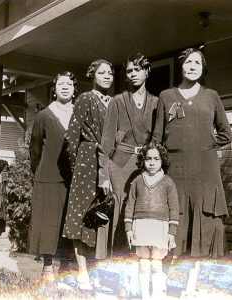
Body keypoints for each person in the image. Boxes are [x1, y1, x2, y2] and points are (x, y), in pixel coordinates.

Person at [153, 48, 232, 258]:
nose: (192, 66)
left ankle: (192, 283)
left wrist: (204, 146)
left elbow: (226, 134)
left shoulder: (211, 96)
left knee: (204, 222)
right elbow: (156, 137)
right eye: (188, 62)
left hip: (205, 170)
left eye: (197, 63)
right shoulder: (166, 96)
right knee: (175, 221)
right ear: (181, 66)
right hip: (175, 170)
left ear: (203, 68)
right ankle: (169, 274)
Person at [62, 59, 114, 290]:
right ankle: (82, 273)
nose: (107, 76)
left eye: (110, 73)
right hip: (86, 161)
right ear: (93, 75)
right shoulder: (85, 98)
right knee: (81, 216)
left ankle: (100, 272)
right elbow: (71, 137)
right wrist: (77, 167)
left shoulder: (114, 102)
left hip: (109, 162)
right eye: (102, 72)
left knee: (103, 216)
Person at [99, 53, 158, 254]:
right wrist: (104, 174)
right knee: (120, 209)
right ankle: (114, 258)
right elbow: (106, 141)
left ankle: (139, 258)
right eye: (129, 70)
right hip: (120, 164)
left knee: (143, 210)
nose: (133, 74)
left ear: (147, 72)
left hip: (145, 164)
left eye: (138, 69)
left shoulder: (156, 102)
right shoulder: (117, 101)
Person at [28, 71, 77, 278]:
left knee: (69, 222)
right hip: (48, 176)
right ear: (54, 89)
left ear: (74, 89)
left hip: (74, 178)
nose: (65, 87)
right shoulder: (44, 115)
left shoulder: (79, 114)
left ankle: (65, 266)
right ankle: (48, 266)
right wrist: (39, 170)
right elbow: (35, 147)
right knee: (47, 222)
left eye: (69, 84)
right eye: (61, 84)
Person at [124, 141, 179, 299]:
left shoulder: (168, 182)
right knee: (143, 264)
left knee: (156, 265)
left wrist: (172, 233)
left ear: (162, 160)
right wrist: (128, 229)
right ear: (143, 160)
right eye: (148, 159)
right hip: (140, 227)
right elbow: (130, 205)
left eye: (156, 159)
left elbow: (174, 208)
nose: (152, 162)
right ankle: (144, 296)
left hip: (159, 229)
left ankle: (155, 296)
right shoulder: (137, 181)